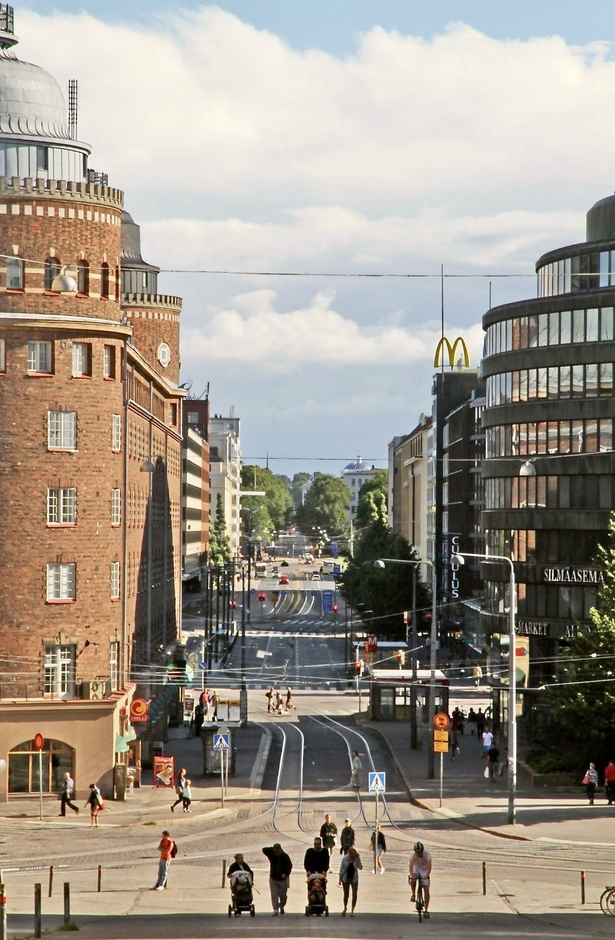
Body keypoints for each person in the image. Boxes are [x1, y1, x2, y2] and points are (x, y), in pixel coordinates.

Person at [262, 842, 292, 915]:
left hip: (282, 880)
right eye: (275, 851)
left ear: (281, 850)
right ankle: (275, 909)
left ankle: (281, 906)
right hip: (273, 879)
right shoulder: (271, 855)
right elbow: (264, 849)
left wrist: (286, 874)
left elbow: (289, 866)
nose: (276, 853)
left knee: (283, 896)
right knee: (274, 895)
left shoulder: (285, 856)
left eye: (278, 851)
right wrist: (272, 849)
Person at [409, 841, 432, 919]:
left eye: (420, 853)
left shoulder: (427, 855)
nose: (419, 854)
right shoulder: (412, 855)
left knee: (426, 889)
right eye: (417, 853)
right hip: (416, 868)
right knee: (413, 879)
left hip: (424, 869)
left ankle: (426, 910)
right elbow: (410, 867)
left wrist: (426, 875)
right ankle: (413, 894)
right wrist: (412, 875)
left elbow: (429, 867)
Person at [338, 846, 362, 916]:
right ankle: (345, 907)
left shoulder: (356, 858)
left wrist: (358, 861)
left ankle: (352, 910)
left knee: (354, 894)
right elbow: (341, 869)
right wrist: (339, 879)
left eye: (353, 857)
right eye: (351, 856)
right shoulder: (345, 859)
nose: (352, 858)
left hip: (354, 878)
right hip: (345, 878)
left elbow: (360, 867)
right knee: (346, 894)